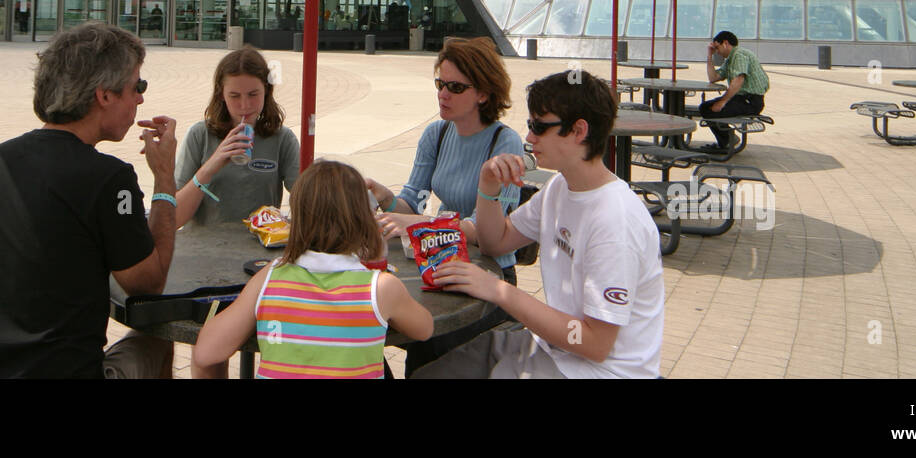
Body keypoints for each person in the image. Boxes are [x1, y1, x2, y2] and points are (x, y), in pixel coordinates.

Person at [0, 21, 179, 378]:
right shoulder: (108, 178)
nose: (140, 98)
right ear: (104, 95)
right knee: (157, 339)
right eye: (137, 86)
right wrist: (165, 178)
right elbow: (149, 285)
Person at [414, 70, 664, 379]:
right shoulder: (560, 187)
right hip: (552, 349)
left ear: (578, 131)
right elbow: (496, 242)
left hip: (602, 371)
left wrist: (498, 290)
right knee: (429, 373)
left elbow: (596, 344)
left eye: (539, 127)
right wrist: (487, 187)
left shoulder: (615, 221)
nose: (529, 138)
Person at [365, 35, 525, 375]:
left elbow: (489, 229)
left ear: (483, 93)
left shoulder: (504, 142)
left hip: (490, 274)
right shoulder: (436, 134)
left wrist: (418, 225)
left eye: (455, 86)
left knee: (433, 348)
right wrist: (382, 195)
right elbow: (414, 200)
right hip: (439, 265)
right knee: (395, 338)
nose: (443, 94)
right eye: (440, 83)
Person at [192, 159, 433, 378]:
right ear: (365, 221)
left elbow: (206, 353)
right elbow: (424, 329)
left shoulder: (271, 277)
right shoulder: (381, 288)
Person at [174, 45, 300, 378]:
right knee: (209, 355)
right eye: (235, 96)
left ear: (267, 92)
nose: (245, 107)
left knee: (276, 345)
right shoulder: (200, 136)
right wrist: (211, 166)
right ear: (220, 95)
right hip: (205, 265)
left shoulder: (281, 139)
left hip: (259, 263)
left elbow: (305, 200)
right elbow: (174, 217)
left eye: (253, 95)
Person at [698, 30, 770, 152]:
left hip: (750, 101)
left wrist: (722, 101)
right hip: (741, 99)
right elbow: (713, 77)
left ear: (725, 43)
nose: (717, 52)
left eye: (717, 47)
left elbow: (739, 79)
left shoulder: (740, 55)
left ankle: (727, 142)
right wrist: (709, 56)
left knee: (712, 110)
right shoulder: (730, 60)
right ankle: (728, 140)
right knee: (705, 107)